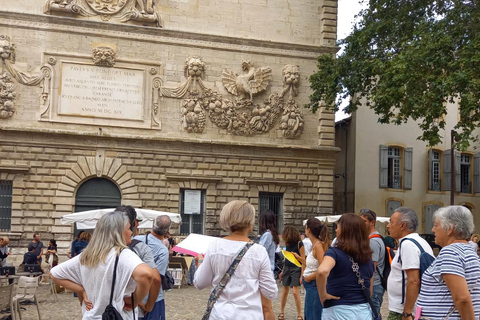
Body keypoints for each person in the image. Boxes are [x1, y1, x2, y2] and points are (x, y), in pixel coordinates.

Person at [50, 211, 153, 319]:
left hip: (91, 316)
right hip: (119, 315)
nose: (131, 233)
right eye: (128, 228)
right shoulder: (123, 254)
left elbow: (54, 274)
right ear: (118, 232)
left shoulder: (86, 255)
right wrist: (135, 300)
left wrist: (81, 290)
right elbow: (146, 275)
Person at [194, 200, 277, 320]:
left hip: (220, 315)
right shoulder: (259, 251)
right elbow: (271, 292)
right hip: (249, 315)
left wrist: (200, 262)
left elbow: (199, 283)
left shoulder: (215, 246)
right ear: (250, 222)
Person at [417, 206, 480, 319]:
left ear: (450, 228)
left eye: (436, 225)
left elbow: (462, 298)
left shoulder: (451, 252)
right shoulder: (469, 252)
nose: (432, 229)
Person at [317, 213, 374, 320]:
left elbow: (322, 271)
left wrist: (322, 294)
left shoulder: (334, 253)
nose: (336, 230)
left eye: (338, 227)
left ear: (345, 230)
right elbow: (370, 288)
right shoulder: (368, 256)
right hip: (363, 311)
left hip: (337, 311)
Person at [387, 207, 434, 320]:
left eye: (391, 222)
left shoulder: (408, 244)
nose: (388, 225)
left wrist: (407, 312)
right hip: (412, 308)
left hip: (402, 310)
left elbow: (413, 280)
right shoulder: (420, 241)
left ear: (402, 225)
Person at [115, 205, 161, 316]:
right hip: (128, 310)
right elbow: (155, 279)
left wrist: (83, 294)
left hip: (102, 309)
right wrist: (146, 305)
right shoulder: (140, 248)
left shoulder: (95, 251)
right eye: (137, 222)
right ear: (132, 224)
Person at [134, 215, 171, 320]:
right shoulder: (163, 251)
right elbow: (156, 279)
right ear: (167, 230)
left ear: (153, 225)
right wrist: (148, 305)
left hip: (133, 295)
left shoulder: (136, 240)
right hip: (153, 298)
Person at [298, 218, 329, 320]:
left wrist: (309, 278)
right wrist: (301, 260)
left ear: (309, 230)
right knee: (309, 314)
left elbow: (323, 268)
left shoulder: (318, 246)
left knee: (313, 316)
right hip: (310, 286)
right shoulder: (314, 245)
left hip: (314, 286)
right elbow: (313, 265)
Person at [360, 208, 386, 314]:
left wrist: (369, 288)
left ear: (372, 222)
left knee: (372, 314)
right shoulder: (377, 238)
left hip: (374, 285)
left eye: (364, 221)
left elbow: (372, 267)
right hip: (376, 284)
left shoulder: (373, 241)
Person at [279, 226, 305, 320]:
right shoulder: (287, 244)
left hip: (296, 268)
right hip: (287, 268)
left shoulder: (299, 243)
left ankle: (299, 314)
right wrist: (282, 271)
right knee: (285, 291)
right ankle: (281, 312)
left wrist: (302, 275)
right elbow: (287, 258)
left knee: (295, 292)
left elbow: (303, 260)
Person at [259, 210, 280, 320]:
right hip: (269, 271)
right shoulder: (273, 234)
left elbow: (259, 250)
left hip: (265, 272)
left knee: (266, 307)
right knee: (266, 306)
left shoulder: (267, 235)